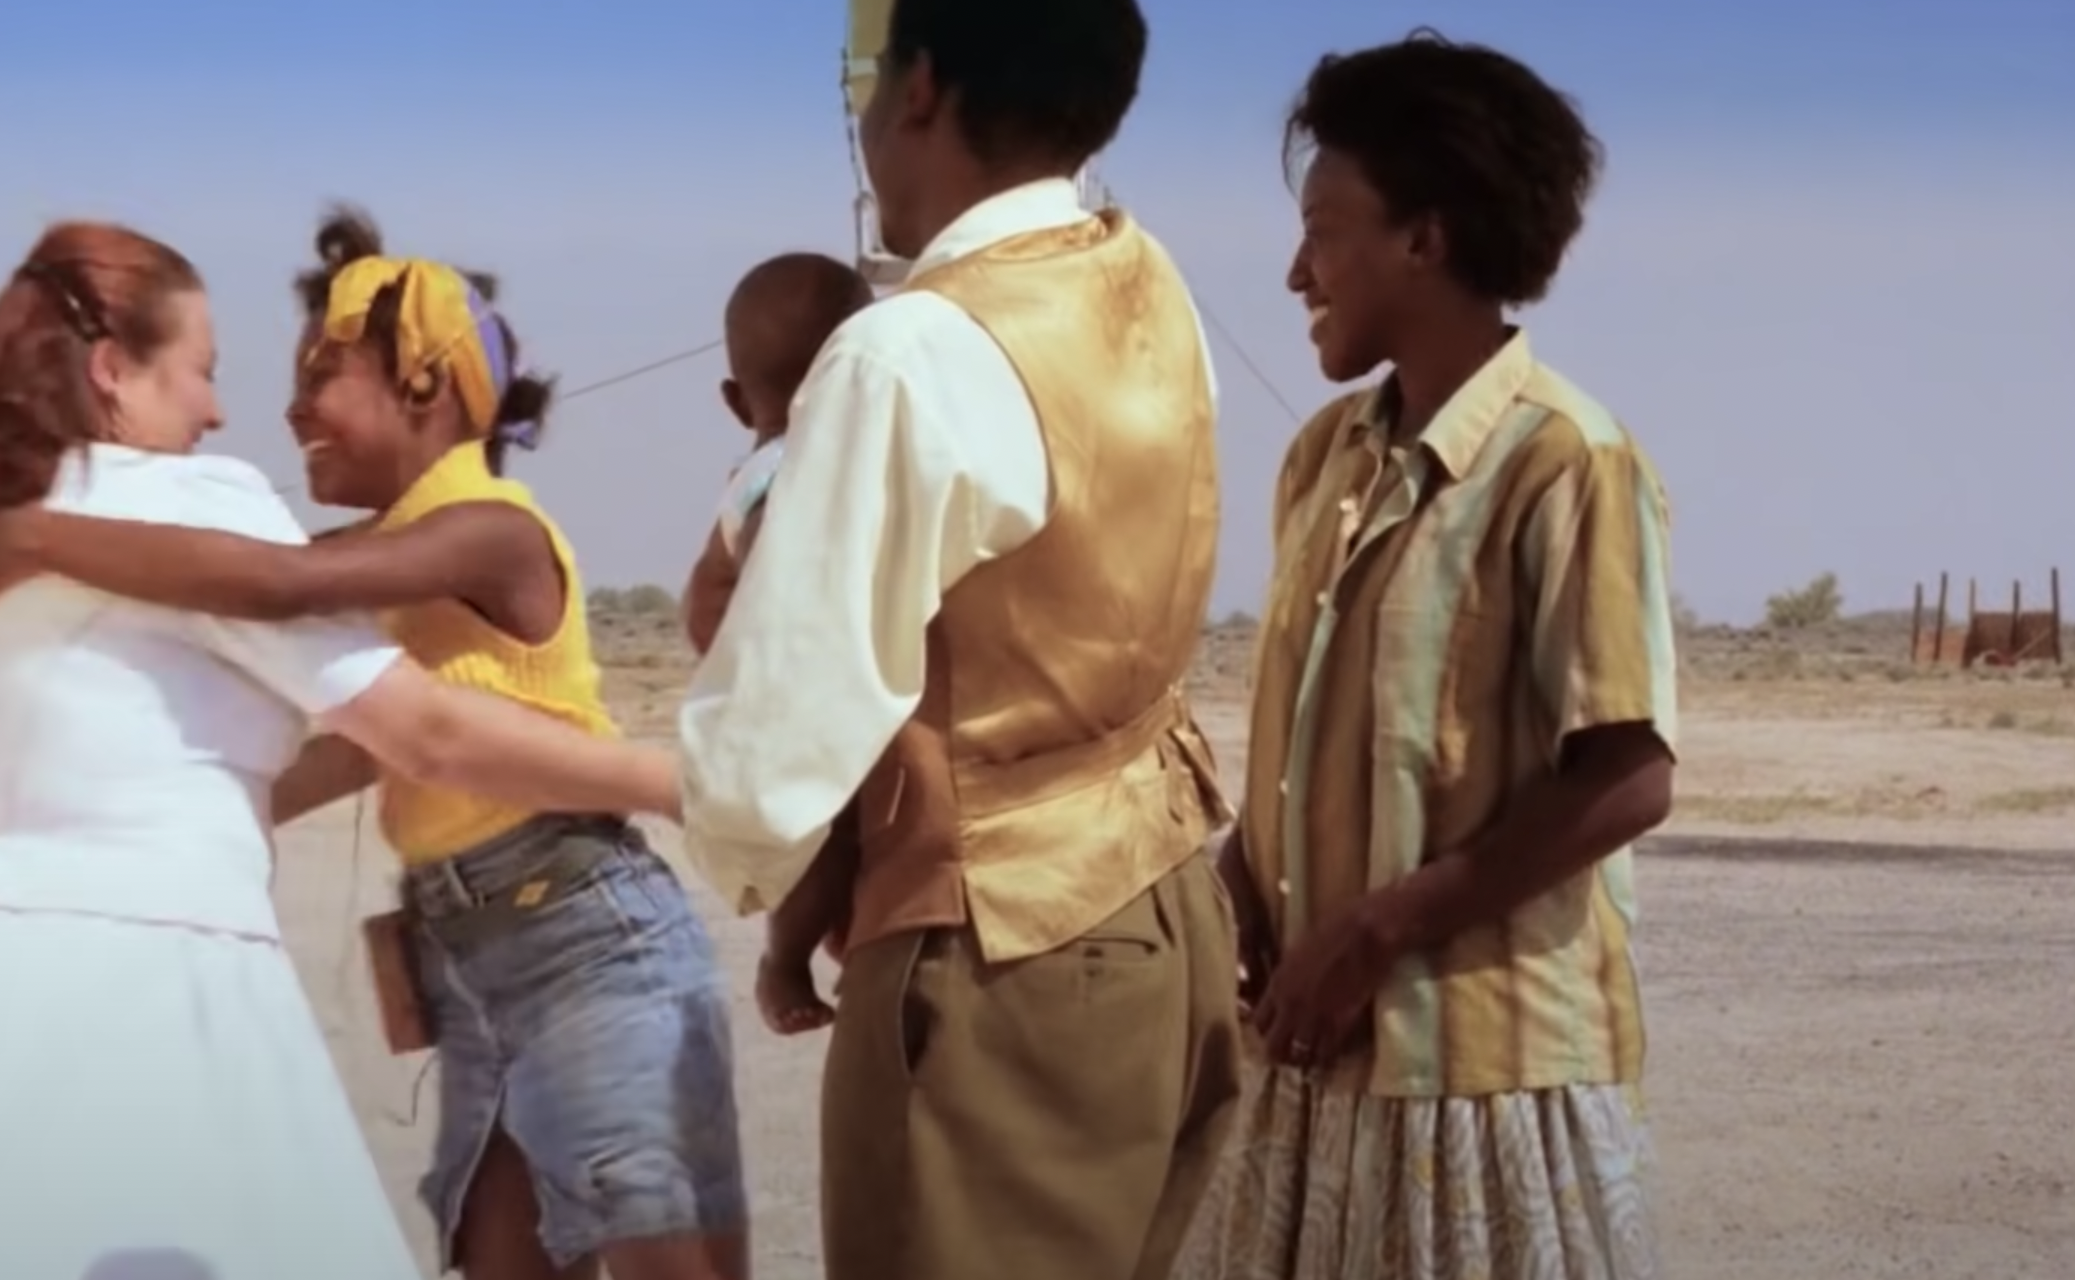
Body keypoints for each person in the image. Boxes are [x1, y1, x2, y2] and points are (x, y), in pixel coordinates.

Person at [0, 221, 688, 1280]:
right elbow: (423, 730)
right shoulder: (192, 510)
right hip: (148, 997)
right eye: (202, 372)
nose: (221, 411)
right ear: (114, 371)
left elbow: (186, 761)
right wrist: (678, 780)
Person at [0, 208, 748, 1280]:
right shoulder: (409, 550)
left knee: (656, 1249)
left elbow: (274, 581)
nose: (287, 404)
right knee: (499, 1255)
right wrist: (183, 803)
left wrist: (36, 535)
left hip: (584, 932)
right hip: (473, 943)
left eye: (321, 372)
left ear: (424, 384)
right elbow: (362, 736)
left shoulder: (490, 527)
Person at [672, 1, 1241, 1276]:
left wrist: (781, 873)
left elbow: (773, 744)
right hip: (1162, 903)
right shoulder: (1147, 282)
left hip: (997, 949)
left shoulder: (904, 353)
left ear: (917, 87)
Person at [1172, 30, 1674, 1280]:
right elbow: (1317, 741)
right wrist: (1247, 882)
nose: (1295, 271)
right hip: (1317, 1049)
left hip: (1483, 1080)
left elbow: (1625, 775)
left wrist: (1374, 929)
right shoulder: (1324, 456)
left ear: (1424, 239)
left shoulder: (1566, 459)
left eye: (1321, 231)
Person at [675, 251, 873, 1038]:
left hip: (773, 698)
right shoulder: (797, 471)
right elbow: (771, 573)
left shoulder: (763, 465)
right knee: (832, 831)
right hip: (786, 703)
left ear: (735, 399)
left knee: (839, 834)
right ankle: (784, 960)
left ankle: (823, 935)